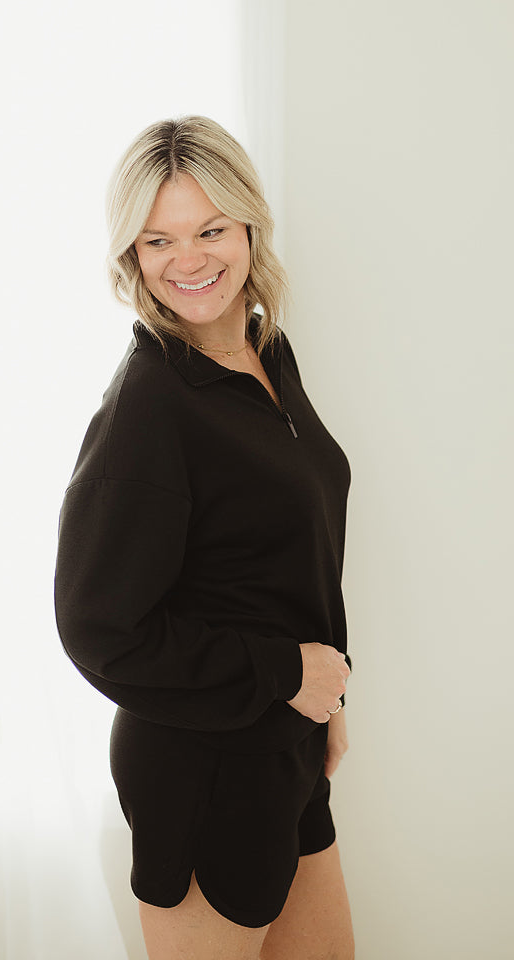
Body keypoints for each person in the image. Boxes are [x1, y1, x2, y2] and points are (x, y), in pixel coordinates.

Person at [54, 115, 355, 960]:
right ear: (132, 255)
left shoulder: (265, 354)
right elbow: (100, 630)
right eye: (158, 240)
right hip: (201, 766)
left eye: (210, 230)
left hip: (285, 744)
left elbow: (293, 549)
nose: (188, 260)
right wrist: (286, 672)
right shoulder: (149, 404)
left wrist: (326, 697)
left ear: (249, 226)